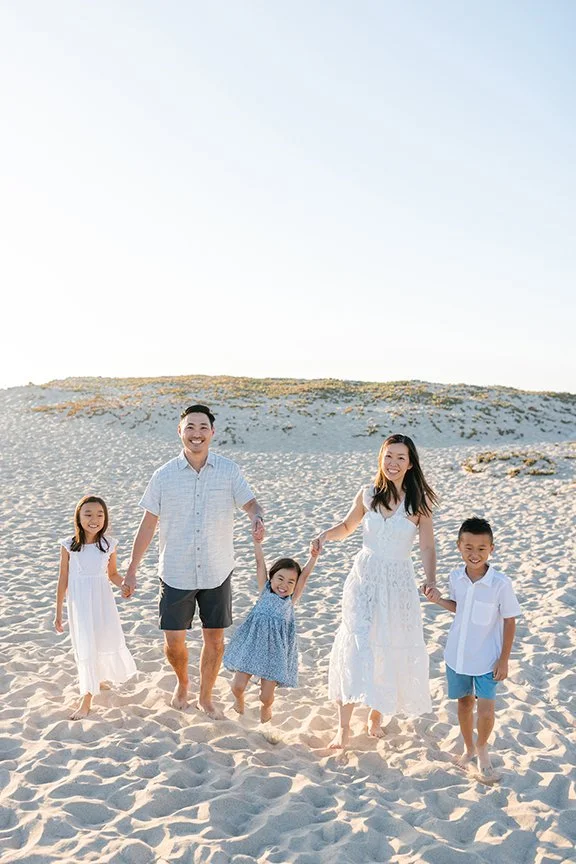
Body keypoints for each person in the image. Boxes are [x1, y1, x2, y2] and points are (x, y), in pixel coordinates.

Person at [123, 405, 264, 718]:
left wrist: (257, 517)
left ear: (212, 433)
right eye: (190, 427)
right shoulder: (163, 476)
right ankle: (182, 682)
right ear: (180, 431)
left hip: (217, 569)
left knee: (214, 639)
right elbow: (148, 525)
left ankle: (205, 696)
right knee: (174, 643)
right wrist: (132, 570)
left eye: (203, 427)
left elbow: (251, 503)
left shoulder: (229, 470)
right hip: (175, 571)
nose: (196, 433)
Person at [314, 433, 438, 749]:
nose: (393, 463)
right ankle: (342, 728)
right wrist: (324, 536)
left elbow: (426, 546)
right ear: (380, 459)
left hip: (397, 582)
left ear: (410, 464)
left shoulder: (419, 503)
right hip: (364, 577)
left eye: (400, 458)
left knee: (388, 643)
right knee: (356, 641)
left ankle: (376, 715)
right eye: (388, 456)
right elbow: (346, 527)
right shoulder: (368, 495)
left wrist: (431, 578)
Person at [424, 517, 520, 783]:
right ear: (459, 547)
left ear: (491, 549)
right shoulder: (456, 576)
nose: (474, 554)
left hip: (488, 659)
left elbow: (510, 620)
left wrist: (504, 659)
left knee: (487, 710)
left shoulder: (501, 584)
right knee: (464, 704)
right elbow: (460, 607)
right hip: (457, 655)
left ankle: (482, 748)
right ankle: (468, 747)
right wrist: (438, 599)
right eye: (468, 547)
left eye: (481, 548)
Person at [54, 495, 137, 720]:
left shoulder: (109, 544)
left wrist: (124, 585)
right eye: (88, 514)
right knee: (86, 645)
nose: (94, 519)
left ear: (105, 518)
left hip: (102, 600)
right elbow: (63, 579)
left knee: (100, 639)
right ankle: (86, 699)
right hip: (79, 603)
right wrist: (58, 612)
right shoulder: (69, 546)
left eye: (100, 515)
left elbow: (112, 574)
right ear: (79, 517)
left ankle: (97, 679)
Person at [224, 536, 319, 723]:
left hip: (274, 652)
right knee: (237, 686)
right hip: (252, 645)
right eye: (280, 578)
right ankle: (239, 700)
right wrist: (257, 542)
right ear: (272, 577)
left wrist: (313, 557)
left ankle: (266, 708)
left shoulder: (291, 601)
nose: (284, 585)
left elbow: (305, 575)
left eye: (291, 582)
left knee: (265, 697)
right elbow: (260, 563)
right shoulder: (264, 591)